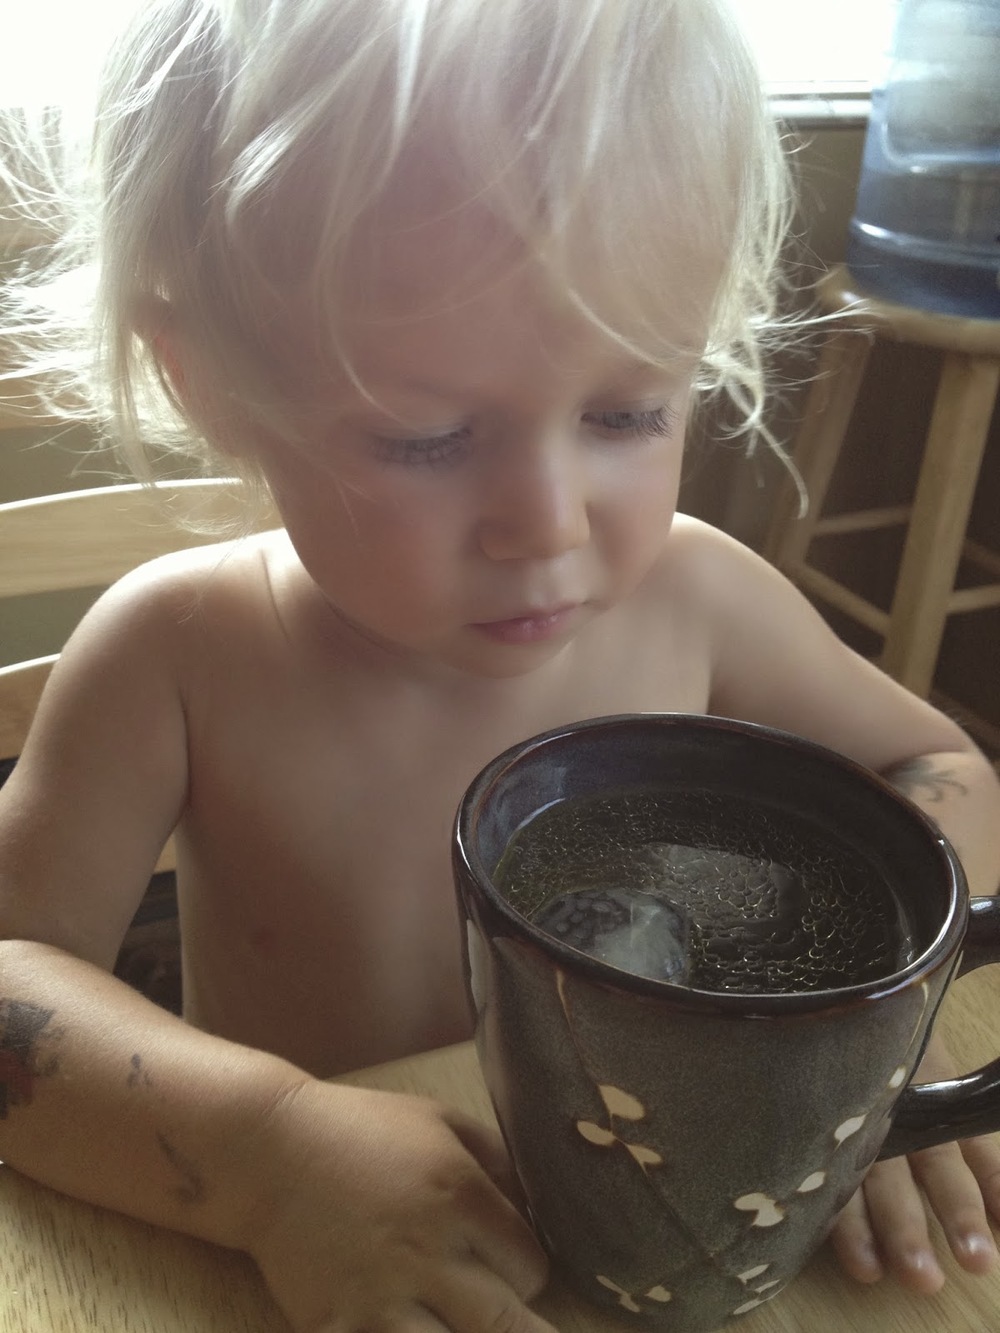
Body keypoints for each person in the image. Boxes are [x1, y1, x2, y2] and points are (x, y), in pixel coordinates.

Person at [1, 1, 999, 1329]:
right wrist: (260, 1152)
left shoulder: (700, 597)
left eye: (628, 411)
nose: (548, 523)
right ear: (212, 386)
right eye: (425, 435)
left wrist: (874, 1042)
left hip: (690, 1215)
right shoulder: (178, 655)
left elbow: (936, 767)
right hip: (320, 1245)